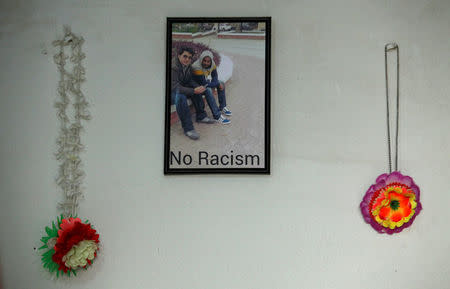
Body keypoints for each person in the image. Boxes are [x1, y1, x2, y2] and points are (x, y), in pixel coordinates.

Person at [171, 46, 215, 140]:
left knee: (196, 90)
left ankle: (201, 116)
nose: (187, 59)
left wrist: (197, 87)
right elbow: (174, 87)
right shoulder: (173, 67)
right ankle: (188, 129)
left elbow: (189, 80)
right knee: (181, 97)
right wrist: (193, 90)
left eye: (190, 57)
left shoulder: (188, 66)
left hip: (180, 88)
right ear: (179, 55)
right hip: (171, 92)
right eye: (185, 56)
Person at [192, 50, 232, 123]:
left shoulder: (212, 63)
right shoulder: (196, 66)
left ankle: (222, 107)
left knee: (221, 83)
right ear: (201, 59)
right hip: (196, 85)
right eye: (204, 61)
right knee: (208, 90)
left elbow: (214, 75)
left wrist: (217, 83)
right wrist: (216, 84)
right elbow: (203, 83)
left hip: (204, 82)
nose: (206, 63)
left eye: (208, 61)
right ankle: (217, 115)